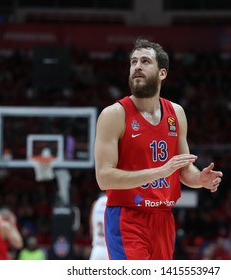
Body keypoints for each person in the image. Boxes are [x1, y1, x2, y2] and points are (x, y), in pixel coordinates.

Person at [94, 38, 223, 260]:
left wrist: (199, 179)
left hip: (163, 218)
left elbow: (184, 170)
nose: (137, 66)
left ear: (162, 73)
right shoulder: (113, 115)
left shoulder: (177, 113)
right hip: (127, 216)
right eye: (133, 62)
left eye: (145, 61)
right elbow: (104, 178)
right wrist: (160, 171)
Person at [89, 193, 108, 260]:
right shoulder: (112, 203)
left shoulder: (95, 204)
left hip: (97, 249)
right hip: (109, 249)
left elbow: (91, 229)